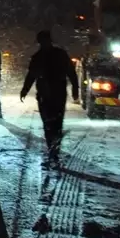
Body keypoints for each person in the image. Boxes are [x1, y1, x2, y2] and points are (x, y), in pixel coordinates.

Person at [20, 29, 80, 163]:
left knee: (49, 122)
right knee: (55, 122)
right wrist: (75, 88)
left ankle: (53, 149)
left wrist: (25, 89)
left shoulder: (38, 56)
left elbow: (31, 75)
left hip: (46, 93)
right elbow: (71, 72)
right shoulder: (59, 54)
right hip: (56, 92)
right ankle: (54, 149)